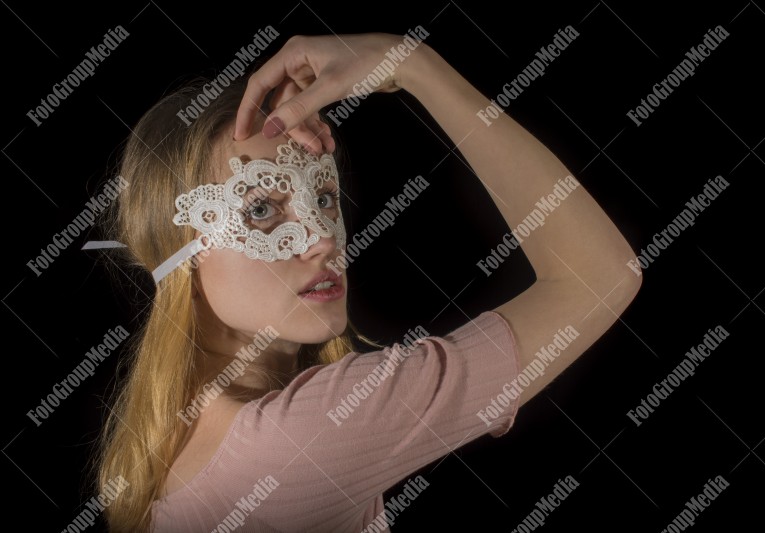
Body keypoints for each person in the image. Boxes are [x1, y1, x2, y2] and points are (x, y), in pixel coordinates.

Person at [91, 32, 641, 531]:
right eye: (260, 208)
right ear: (179, 256)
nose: (323, 239)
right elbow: (596, 277)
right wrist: (414, 64)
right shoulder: (298, 439)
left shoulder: (164, 444)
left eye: (323, 197)